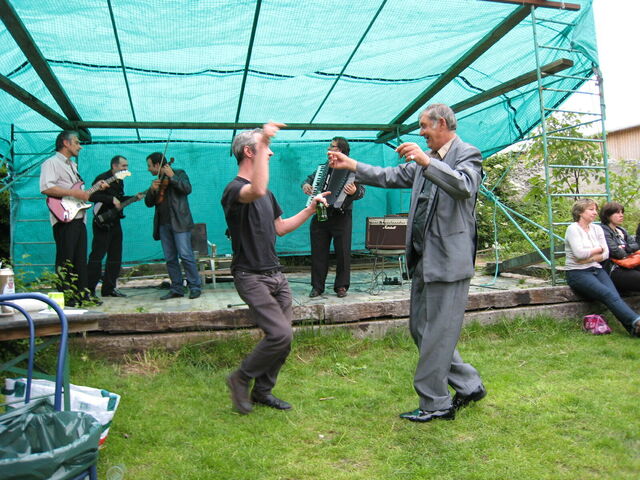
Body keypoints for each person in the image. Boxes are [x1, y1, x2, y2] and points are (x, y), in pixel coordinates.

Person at [328, 103, 486, 423]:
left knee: (437, 333)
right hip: (424, 259)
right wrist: (352, 164)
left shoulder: (467, 154)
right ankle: (469, 385)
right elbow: (389, 176)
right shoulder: (425, 160)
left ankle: (435, 403)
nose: (421, 132)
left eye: (425, 126)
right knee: (420, 329)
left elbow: (464, 186)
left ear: (442, 124)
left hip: (449, 262)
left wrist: (427, 162)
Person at [221, 122, 328, 415]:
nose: (271, 153)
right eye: (265, 148)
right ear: (249, 151)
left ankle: (262, 392)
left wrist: (310, 209)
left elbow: (280, 228)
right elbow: (255, 188)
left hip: (276, 275)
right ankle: (240, 378)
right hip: (250, 276)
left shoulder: (267, 195)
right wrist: (264, 138)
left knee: (284, 340)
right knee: (280, 334)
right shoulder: (235, 190)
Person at [40, 130, 108, 307]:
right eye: (77, 142)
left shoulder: (72, 166)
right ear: (66, 143)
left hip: (78, 217)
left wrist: (95, 188)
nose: (80, 146)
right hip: (63, 218)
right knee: (66, 257)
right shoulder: (51, 163)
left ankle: (82, 294)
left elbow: (79, 193)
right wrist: (74, 193)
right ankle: (66, 296)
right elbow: (47, 188)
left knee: (80, 258)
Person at [564, 198, 640, 336]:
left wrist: (590, 257)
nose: (595, 212)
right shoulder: (573, 229)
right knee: (607, 294)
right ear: (580, 212)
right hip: (577, 272)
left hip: (597, 269)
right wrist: (597, 250)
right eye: (591, 209)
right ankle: (636, 322)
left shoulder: (597, 229)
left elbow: (605, 254)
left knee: (614, 296)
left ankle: (634, 329)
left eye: (596, 209)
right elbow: (579, 254)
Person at [302, 137, 365, 298]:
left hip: (341, 216)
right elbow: (308, 180)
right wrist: (306, 185)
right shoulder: (323, 168)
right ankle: (317, 287)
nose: (329, 149)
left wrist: (354, 192)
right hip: (321, 213)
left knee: (343, 252)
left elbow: (361, 192)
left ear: (341, 150)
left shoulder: (352, 168)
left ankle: (341, 286)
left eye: (332, 147)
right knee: (318, 252)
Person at [144, 152, 202, 300]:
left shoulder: (179, 173)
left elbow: (187, 189)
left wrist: (173, 177)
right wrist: (152, 190)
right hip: (163, 224)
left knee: (186, 255)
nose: (148, 169)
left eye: (149, 166)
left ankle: (195, 287)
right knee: (170, 258)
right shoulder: (157, 180)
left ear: (157, 165)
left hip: (180, 222)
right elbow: (149, 203)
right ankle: (177, 288)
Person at [87, 155, 143, 298]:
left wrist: (133, 198)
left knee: (115, 255)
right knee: (97, 255)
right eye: (124, 166)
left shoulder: (120, 180)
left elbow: (118, 201)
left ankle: (109, 288)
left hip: (115, 221)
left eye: (127, 166)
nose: (126, 168)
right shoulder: (102, 178)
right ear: (114, 166)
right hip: (102, 222)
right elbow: (90, 196)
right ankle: (89, 289)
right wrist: (110, 198)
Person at [599, 201, 640, 293]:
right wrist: (628, 249)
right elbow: (616, 252)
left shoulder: (621, 230)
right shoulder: (602, 230)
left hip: (629, 265)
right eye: (617, 213)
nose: (621, 215)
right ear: (607, 215)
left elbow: (637, 245)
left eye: (622, 212)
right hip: (614, 269)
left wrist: (624, 248)